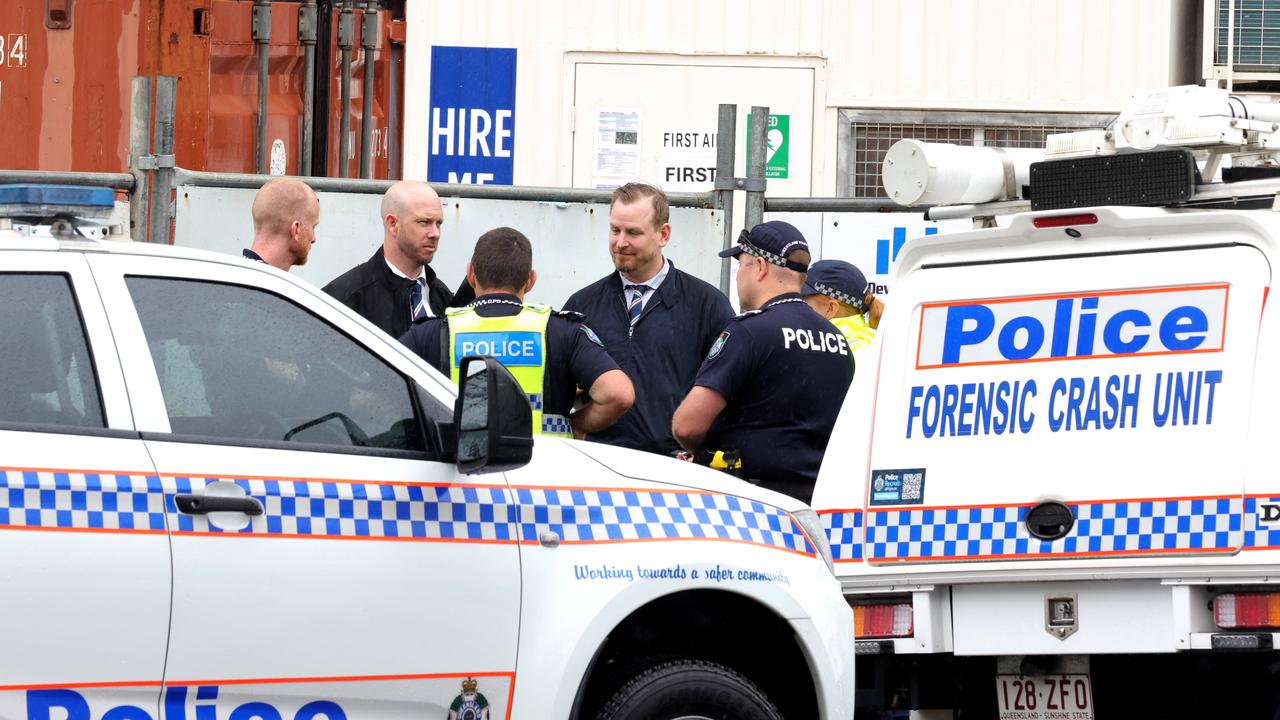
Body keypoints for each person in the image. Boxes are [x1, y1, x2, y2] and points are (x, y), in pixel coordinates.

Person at [672, 221, 853, 503]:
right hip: (818, 501)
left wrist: (705, 455)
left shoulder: (748, 332)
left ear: (759, 267)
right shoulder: (837, 340)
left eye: (740, 264)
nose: (738, 275)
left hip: (753, 503)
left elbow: (686, 425)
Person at [401, 226, 635, 438]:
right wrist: (575, 425)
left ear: (471, 274)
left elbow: (377, 383)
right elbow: (618, 393)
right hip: (541, 478)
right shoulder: (562, 332)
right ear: (531, 280)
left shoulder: (430, 334)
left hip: (459, 475)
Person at [562, 182, 734, 455]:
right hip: (597, 470)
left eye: (633, 233)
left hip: (673, 474)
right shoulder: (582, 306)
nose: (620, 242)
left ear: (663, 234)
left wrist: (701, 455)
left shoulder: (707, 305)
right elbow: (561, 394)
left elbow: (729, 397)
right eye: (615, 230)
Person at [322, 181, 452, 338]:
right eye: (424, 222)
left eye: (438, 223)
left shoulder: (443, 297)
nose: (435, 233)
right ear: (393, 224)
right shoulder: (345, 299)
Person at [801, 259, 880, 355]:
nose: (796, 304)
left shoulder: (844, 351)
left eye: (803, 298)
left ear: (831, 308)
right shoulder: (865, 342)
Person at [242, 178, 320, 271]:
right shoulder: (265, 283)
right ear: (296, 230)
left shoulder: (236, 278)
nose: (313, 239)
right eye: (313, 227)